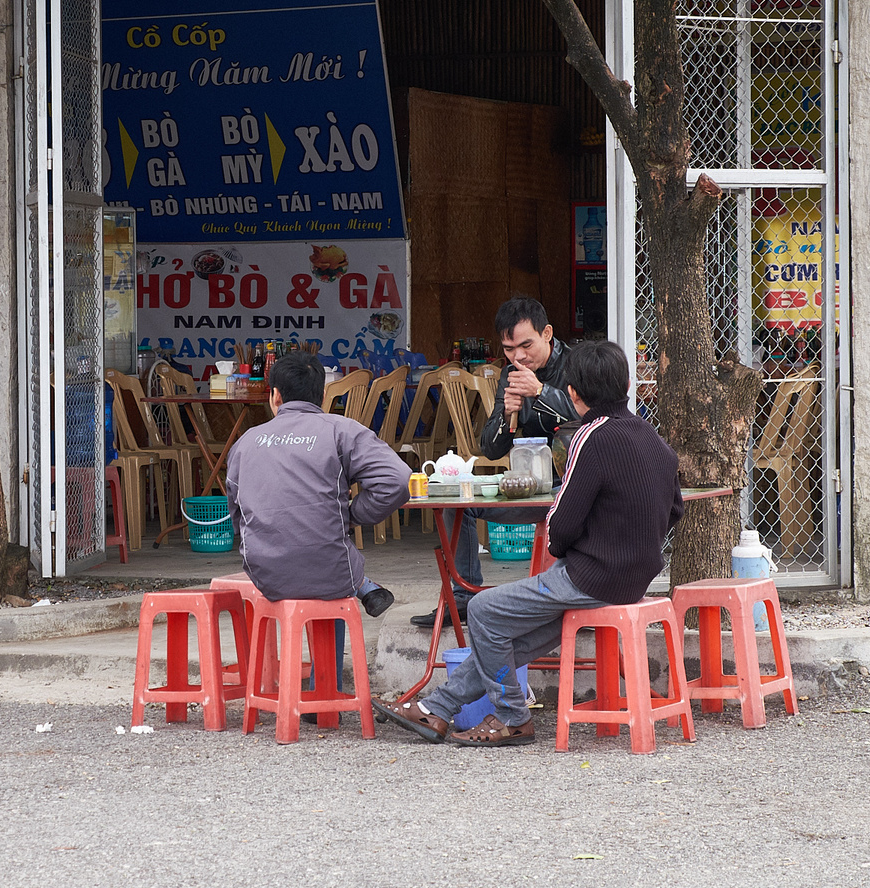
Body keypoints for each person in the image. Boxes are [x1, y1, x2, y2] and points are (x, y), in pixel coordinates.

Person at [374, 339, 683, 747]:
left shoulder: (589, 438)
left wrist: (569, 547)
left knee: (483, 610)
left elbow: (560, 528)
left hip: (590, 577)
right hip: (636, 577)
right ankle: (437, 709)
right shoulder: (652, 438)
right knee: (513, 640)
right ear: (627, 383)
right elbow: (675, 510)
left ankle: (513, 717)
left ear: (572, 394)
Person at [411, 296, 578, 629]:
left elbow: (599, 419)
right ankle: (463, 598)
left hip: (573, 492)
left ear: (547, 333)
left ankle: (574, 597)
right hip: (530, 488)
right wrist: (506, 412)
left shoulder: (579, 364)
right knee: (457, 500)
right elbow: (489, 447)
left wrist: (542, 392)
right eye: (508, 348)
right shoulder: (511, 374)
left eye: (526, 345)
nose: (518, 356)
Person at [225, 350, 407, 619]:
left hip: (265, 575)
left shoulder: (245, 443)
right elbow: (397, 481)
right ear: (323, 396)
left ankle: (363, 588)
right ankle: (359, 595)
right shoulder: (341, 430)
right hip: (332, 573)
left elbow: (237, 513)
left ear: (275, 396)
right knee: (334, 568)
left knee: (326, 561)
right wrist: (351, 516)